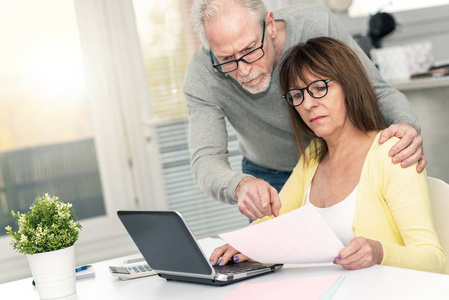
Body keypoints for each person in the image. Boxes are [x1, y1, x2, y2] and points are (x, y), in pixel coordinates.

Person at [209, 37, 444, 273]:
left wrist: (379, 253)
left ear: (350, 87)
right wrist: (246, 244)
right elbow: (276, 219)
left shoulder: (393, 153)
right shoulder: (313, 155)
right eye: (297, 95)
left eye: (319, 88)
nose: (308, 104)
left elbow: (433, 258)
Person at [184, 0, 425, 221]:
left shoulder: (315, 24)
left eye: (249, 50)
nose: (244, 71)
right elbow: (206, 158)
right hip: (268, 176)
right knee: (270, 259)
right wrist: (240, 185)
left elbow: (376, 90)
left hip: (340, 164)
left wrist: (406, 125)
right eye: (227, 59)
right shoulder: (203, 72)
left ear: (269, 25)